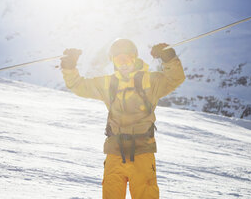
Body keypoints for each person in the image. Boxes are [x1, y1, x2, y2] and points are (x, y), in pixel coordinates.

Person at [60, 39, 185, 199]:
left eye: (127, 58)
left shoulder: (150, 81)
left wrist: (169, 58)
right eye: (119, 59)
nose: (123, 63)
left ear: (135, 58)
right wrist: (69, 67)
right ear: (113, 62)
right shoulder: (108, 83)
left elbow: (175, 78)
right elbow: (78, 85)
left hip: (142, 152)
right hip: (115, 153)